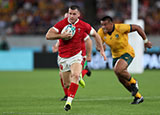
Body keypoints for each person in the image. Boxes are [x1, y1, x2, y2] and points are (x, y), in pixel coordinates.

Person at [46, 5, 106, 111]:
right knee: (67, 83)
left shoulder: (83, 25)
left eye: (74, 14)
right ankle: (80, 77)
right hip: (63, 57)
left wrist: (100, 49)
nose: (71, 16)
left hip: (76, 56)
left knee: (75, 75)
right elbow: (48, 35)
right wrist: (61, 36)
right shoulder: (62, 24)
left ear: (78, 15)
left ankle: (68, 102)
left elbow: (95, 35)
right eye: (70, 13)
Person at [98, 16, 152, 104]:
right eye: (102, 25)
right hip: (115, 56)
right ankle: (138, 97)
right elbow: (98, 46)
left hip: (127, 53)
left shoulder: (120, 28)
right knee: (122, 80)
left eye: (105, 25)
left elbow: (137, 27)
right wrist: (100, 48)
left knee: (118, 70)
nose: (103, 27)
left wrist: (145, 41)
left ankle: (134, 82)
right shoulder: (101, 32)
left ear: (111, 24)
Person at [52, 33, 92, 101]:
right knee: (62, 75)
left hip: (79, 55)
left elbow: (88, 39)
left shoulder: (80, 29)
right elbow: (59, 40)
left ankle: (68, 95)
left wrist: (88, 55)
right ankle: (67, 94)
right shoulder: (65, 29)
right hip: (67, 55)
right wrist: (56, 46)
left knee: (74, 75)